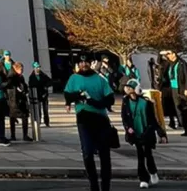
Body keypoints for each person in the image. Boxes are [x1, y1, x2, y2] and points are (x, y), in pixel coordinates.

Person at [64, 55, 115, 191]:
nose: (84, 64)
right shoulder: (74, 78)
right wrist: (78, 95)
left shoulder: (99, 79)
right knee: (87, 152)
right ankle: (94, 185)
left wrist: (95, 102)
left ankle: (105, 187)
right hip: (83, 119)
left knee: (104, 154)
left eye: (86, 62)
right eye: (81, 62)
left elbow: (110, 99)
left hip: (100, 119)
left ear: (91, 63)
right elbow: (67, 95)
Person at [120, 79, 166, 189]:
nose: (127, 89)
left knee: (148, 154)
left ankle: (153, 171)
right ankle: (143, 179)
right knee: (140, 156)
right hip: (135, 133)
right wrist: (128, 128)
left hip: (146, 132)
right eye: (127, 87)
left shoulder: (146, 102)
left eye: (130, 87)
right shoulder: (125, 102)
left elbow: (153, 120)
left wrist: (161, 133)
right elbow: (124, 117)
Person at [164, 50, 187, 136]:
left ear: (174, 54)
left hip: (182, 89)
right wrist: (163, 52)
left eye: (169, 54)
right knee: (179, 110)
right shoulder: (170, 64)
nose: (168, 56)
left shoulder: (182, 63)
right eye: (167, 55)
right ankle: (186, 129)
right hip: (174, 89)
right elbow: (159, 61)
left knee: (185, 110)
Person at [7, 61, 32, 142]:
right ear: (16, 69)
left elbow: (23, 85)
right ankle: (19, 135)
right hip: (15, 100)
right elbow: (13, 89)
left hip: (17, 100)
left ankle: (17, 135)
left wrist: (25, 89)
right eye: (21, 69)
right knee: (20, 117)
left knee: (16, 117)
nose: (22, 71)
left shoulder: (19, 76)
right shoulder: (12, 77)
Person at [29, 62, 52, 127]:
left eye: (39, 67)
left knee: (45, 109)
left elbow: (50, 81)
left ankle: (46, 122)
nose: (38, 69)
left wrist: (46, 86)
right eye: (36, 67)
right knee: (38, 109)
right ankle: (38, 121)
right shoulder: (32, 77)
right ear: (34, 68)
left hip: (44, 94)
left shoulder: (43, 75)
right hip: (37, 95)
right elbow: (31, 86)